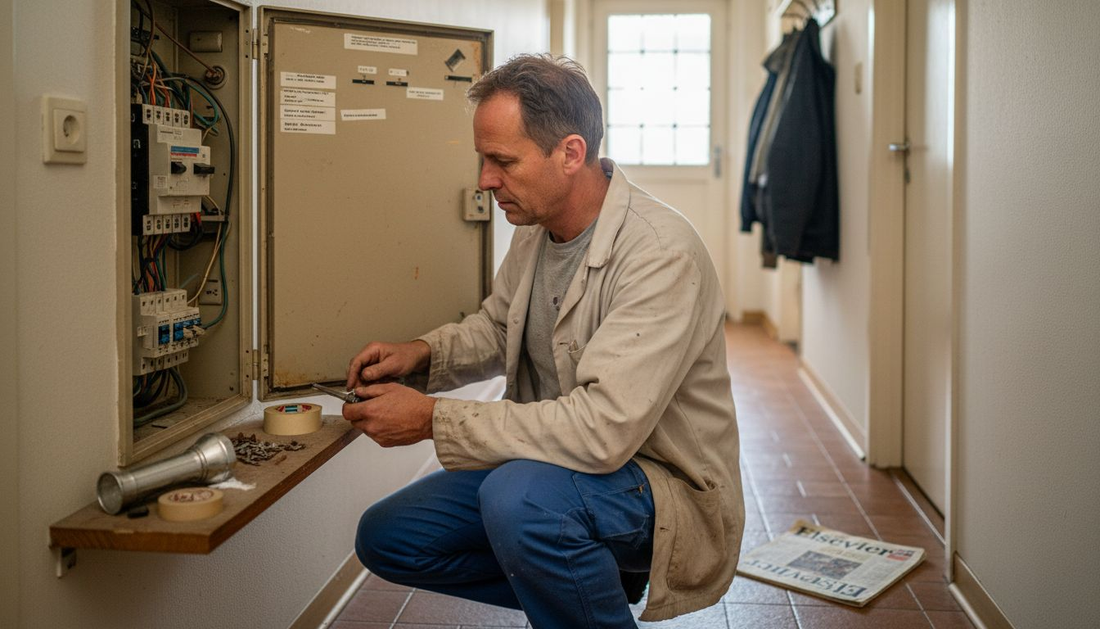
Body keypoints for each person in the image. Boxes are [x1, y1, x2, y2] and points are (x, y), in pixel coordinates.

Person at [342, 54, 743, 627]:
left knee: (520, 500)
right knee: (389, 537)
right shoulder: (538, 228)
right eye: (484, 159)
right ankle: (589, 587)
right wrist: (423, 354)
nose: (484, 180)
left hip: (657, 483)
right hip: (556, 468)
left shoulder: (661, 253)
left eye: (502, 160)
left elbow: (604, 430)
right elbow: (501, 326)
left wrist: (433, 419)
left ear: (571, 153)